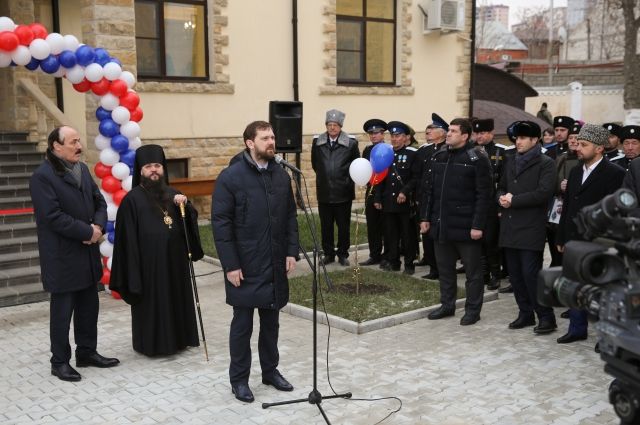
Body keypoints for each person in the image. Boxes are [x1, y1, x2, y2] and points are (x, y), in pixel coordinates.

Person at [212, 121, 299, 403]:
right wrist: (230, 265)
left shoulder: (281, 175)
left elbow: (290, 217)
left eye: (273, 137)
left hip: (274, 262)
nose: (271, 142)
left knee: (271, 324)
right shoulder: (231, 177)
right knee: (242, 326)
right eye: (265, 138)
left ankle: (270, 371)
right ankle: (239, 380)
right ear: (250, 143)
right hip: (245, 266)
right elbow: (220, 224)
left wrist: (290, 251)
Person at [29, 126, 119, 382]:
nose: (79, 146)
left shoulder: (82, 169)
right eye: (73, 142)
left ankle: (87, 352)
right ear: (56, 146)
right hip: (62, 257)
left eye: (79, 141)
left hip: (87, 254)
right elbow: (51, 217)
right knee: (62, 312)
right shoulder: (42, 177)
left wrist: (98, 226)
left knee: (89, 307)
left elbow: (99, 201)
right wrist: (86, 231)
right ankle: (59, 361)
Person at [109, 144, 203, 357]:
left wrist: (186, 208)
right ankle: (152, 344)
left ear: (163, 169)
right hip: (148, 268)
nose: (154, 170)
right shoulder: (131, 200)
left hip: (175, 265)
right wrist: (134, 272)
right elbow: (126, 241)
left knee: (176, 299)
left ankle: (180, 340)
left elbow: (188, 225)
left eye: (158, 166)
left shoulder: (174, 194)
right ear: (140, 170)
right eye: (149, 166)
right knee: (154, 304)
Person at [555, 124, 625, 344]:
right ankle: (577, 329)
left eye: (584, 145)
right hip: (574, 239)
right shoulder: (575, 171)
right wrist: (562, 237)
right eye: (578, 144)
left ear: (599, 149)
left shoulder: (615, 174)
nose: (578, 148)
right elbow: (567, 208)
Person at [420, 118, 492, 326]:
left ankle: (472, 309)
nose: (448, 134)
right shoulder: (439, 156)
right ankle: (447, 305)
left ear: (465, 136)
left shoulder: (477, 157)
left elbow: (484, 195)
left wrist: (477, 225)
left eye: (453, 131)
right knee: (445, 269)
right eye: (448, 130)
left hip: (467, 227)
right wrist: (425, 218)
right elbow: (429, 191)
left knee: (473, 272)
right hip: (442, 225)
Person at [497, 121, 558, 335]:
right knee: (514, 274)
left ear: (535, 140)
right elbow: (502, 186)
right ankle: (525, 313)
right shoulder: (511, 159)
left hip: (531, 226)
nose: (518, 141)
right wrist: (501, 198)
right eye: (517, 138)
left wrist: (514, 200)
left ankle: (546, 316)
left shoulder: (546, 163)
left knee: (530, 273)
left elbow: (543, 193)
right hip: (509, 225)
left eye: (523, 138)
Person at [311, 109, 360, 266]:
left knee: (343, 226)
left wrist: (345, 181)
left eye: (335, 125)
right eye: (329, 124)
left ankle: (343, 254)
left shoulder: (351, 143)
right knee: (326, 226)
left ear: (340, 126)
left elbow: (356, 165)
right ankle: (329, 254)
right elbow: (315, 164)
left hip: (343, 192)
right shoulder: (317, 142)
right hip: (324, 192)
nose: (332, 128)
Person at [472, 118, 512, 291]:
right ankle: (483, 274)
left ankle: (495, 275)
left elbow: (505, 181)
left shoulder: (502, 152)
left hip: (492, 205)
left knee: (491, 242)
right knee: (477, 242)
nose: (479, 136)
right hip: (475, 203)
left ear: (491, 133)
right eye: (477, 133)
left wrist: (500, 206)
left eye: (483, 133)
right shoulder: (471, 152)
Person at [374, 121, 418, 274]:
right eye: (392, 135)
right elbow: (380, 177)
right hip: (388, 201)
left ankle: (409, 263)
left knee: (407, 235)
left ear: (406, 137)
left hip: (404, 202)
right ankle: (393, 261)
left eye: (398, 135)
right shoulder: (386, 153)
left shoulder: (412, 154)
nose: (394, 139)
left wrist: (404, 191)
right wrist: (378, 198)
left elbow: (415, 177)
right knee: (390, 234)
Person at [414, 113, 448, 280]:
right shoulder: (425, 150)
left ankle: (441, 269)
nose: (429, 131)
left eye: (433, 128)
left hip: (440, 200)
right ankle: (432, 267)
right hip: (425, 199)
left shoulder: (447, 150)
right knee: (426, 235)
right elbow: (418, 174)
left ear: (442, 132)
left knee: (438, 237)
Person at [359, 119, 387, 266]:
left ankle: (388, 255)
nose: (374, 136)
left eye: (377, 133)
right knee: (372, 225)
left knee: (386, 225)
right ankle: (374, 254)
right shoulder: (368, 150)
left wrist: (380, 195)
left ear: (383, 134)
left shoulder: (388, 149)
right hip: (370, 190)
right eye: (371, 133)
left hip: (385, 192)